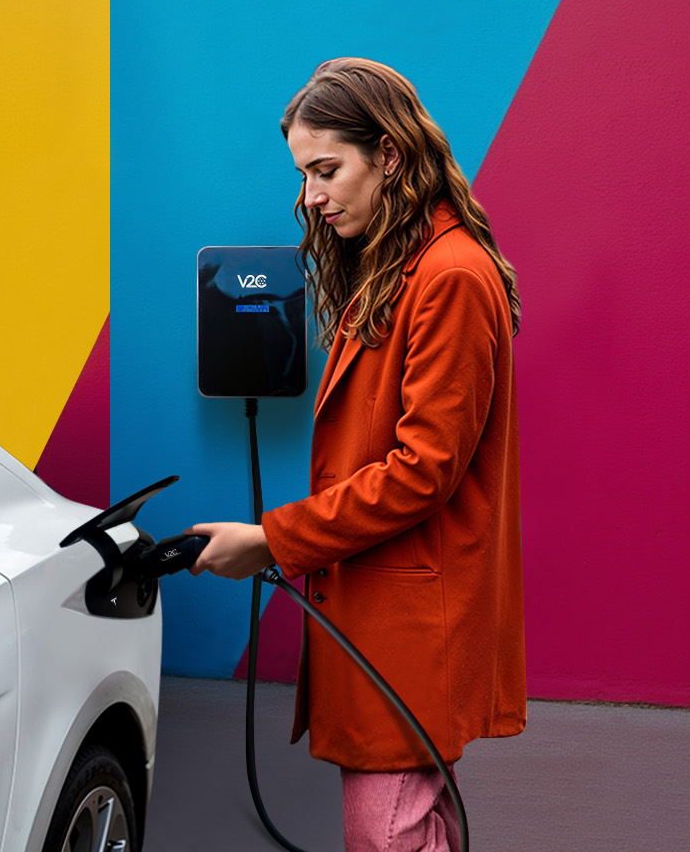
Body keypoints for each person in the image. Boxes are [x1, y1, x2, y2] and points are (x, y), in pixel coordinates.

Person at [186, 57, 525, 852]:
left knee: (386, 833)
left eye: (327, 170)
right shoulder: (397, 266)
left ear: (393, 157)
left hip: (409, 623)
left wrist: (272, 538)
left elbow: (422, 470)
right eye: (305, 174)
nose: (311, 196)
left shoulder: (449, 276)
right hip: (382, 611)